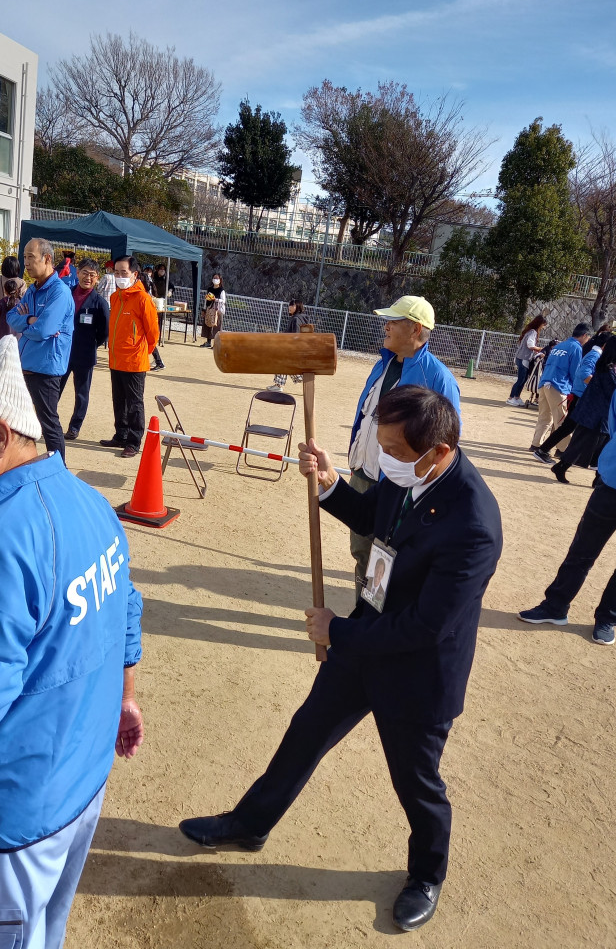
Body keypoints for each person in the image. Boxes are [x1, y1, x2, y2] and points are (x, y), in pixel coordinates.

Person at [179, 386, 502, 933]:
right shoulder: (409, 474)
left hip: (417, 674)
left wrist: (339, 632)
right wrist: (329, 485)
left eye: (396, 452)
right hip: (365, 639)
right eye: (382, 448)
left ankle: (426, 873)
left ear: (439, 452)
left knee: (417, 783)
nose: (386, 462)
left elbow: (428, 626)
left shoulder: (473, 525)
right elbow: (375, 515)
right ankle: (250, 822)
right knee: (305, 733)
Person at [0, 334, 144, 949]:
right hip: (85, 777)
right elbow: (128, 611)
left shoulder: (7, 537)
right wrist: (127, 699)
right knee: (47, 930)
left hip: (23, 806)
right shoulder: (90, 501)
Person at [348, 295, 461, 596]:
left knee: (384, 558)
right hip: (363, 472)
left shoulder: (439, 378)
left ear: (415, 330)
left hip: (399, 484)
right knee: (360, 550)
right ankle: (363, 612)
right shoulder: (382, 364)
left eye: (394, 321)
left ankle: (373, 623)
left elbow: (447, 442)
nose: (386, 326)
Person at [519, 377, 616, 645]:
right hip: (612, 480)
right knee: (581, 551)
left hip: (612, 476)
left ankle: (608, 618)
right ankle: (555, 606)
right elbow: (614, 425)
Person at [6, 238, 74, 462]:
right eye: (24, 257)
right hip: (25, 363)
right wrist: (30, 320)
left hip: (46, 367)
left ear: (47, 259)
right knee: (19, 420)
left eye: (30, 257)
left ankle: (59, 471)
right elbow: (11, 317)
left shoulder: (59, 292)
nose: (25, 262)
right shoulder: (33, 290)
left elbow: (45, 329)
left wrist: (29, 324)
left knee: (48, 423)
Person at [99, 255, 159, 459]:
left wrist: (141, 351)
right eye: (116, 272)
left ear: (134, 274)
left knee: (134, 403)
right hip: (116, 359)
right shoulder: (116, 297)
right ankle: (121, 434)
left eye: (123, 272)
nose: (119, 276)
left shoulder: (143, 299)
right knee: (119, 401)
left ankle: (133, 441)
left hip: (134, 361)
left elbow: (153, 334)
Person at [549, 337, 616, 484]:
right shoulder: (607, 371)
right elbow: (614, 392)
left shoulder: (608, 368)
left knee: (597, 447)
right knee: (583, 445)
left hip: (597, 415)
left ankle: (596, 478)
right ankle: (562, 466)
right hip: (595, 416)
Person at [532, 332, 612, 464]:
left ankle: (547, 451)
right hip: (578, 396)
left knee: (566, 426)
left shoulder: (590, 353)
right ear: (605, 346)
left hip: (568, 391)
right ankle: (559, 453)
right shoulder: (594, 355)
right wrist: (598, 386)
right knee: (566, 426)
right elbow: (582, 373)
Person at [59, 258, 109, 440]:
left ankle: (74, 427)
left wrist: (91, 344)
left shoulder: (100, 303)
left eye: (92, 275)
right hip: (62, 352)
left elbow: (104, 332)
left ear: (97, 278)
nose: (88, 277)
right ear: (77, 273)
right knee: (54, 389)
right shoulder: (65, 293)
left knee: (81, 393)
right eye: (85, 273)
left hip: (85, 354)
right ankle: (47, 422)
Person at [529, 323, 592, 451]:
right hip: (559, 386)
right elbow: (575, 371)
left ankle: (536, 444)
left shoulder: (560, 345)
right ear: (585, 335)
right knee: (561, 421)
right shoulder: (576, 348)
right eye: (588, 337)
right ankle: (563, 450)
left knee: (544, 417)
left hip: (545, 382)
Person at [267, 299, 309, 391]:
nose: (289, 307)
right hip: (303, 350)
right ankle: (302, 378)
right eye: (289, 305)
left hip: (294, 349)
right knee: (286, 364)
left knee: (281, 359)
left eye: (291, 305)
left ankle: (279, 385)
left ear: (297, 306)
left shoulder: (296, 319)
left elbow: (295, 336)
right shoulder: (303, 318)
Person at [506, 314, 547, 406]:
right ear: (540, 324)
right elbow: (530, 345)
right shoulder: (533, 332)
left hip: (522, 357)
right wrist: (540, 349)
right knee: (521, 379)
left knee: (523, 379)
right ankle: (511, 398)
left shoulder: (530, 331)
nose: (544, 327)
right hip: (523, 358)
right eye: (544, 325)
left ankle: (516, 397)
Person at [137, 270, 165, 371]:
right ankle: (158, 361)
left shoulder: (144, 295)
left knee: (149, 341)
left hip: (147, 322)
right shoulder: (147, 291)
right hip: (147, 322)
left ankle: (159, 362)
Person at [200, 273, 226, 348]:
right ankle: (208, 342)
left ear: (220, 280)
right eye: (214, 278)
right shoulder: (209, 289)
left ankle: (216, 344)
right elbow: (206, 300)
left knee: (217, 326)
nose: (215, 279)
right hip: (209, 309)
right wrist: (204, 309)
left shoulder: (221, 290)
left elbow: (223, 301)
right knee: (208, 324)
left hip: (218, 311)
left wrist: (215, 299)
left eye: (217, 278)